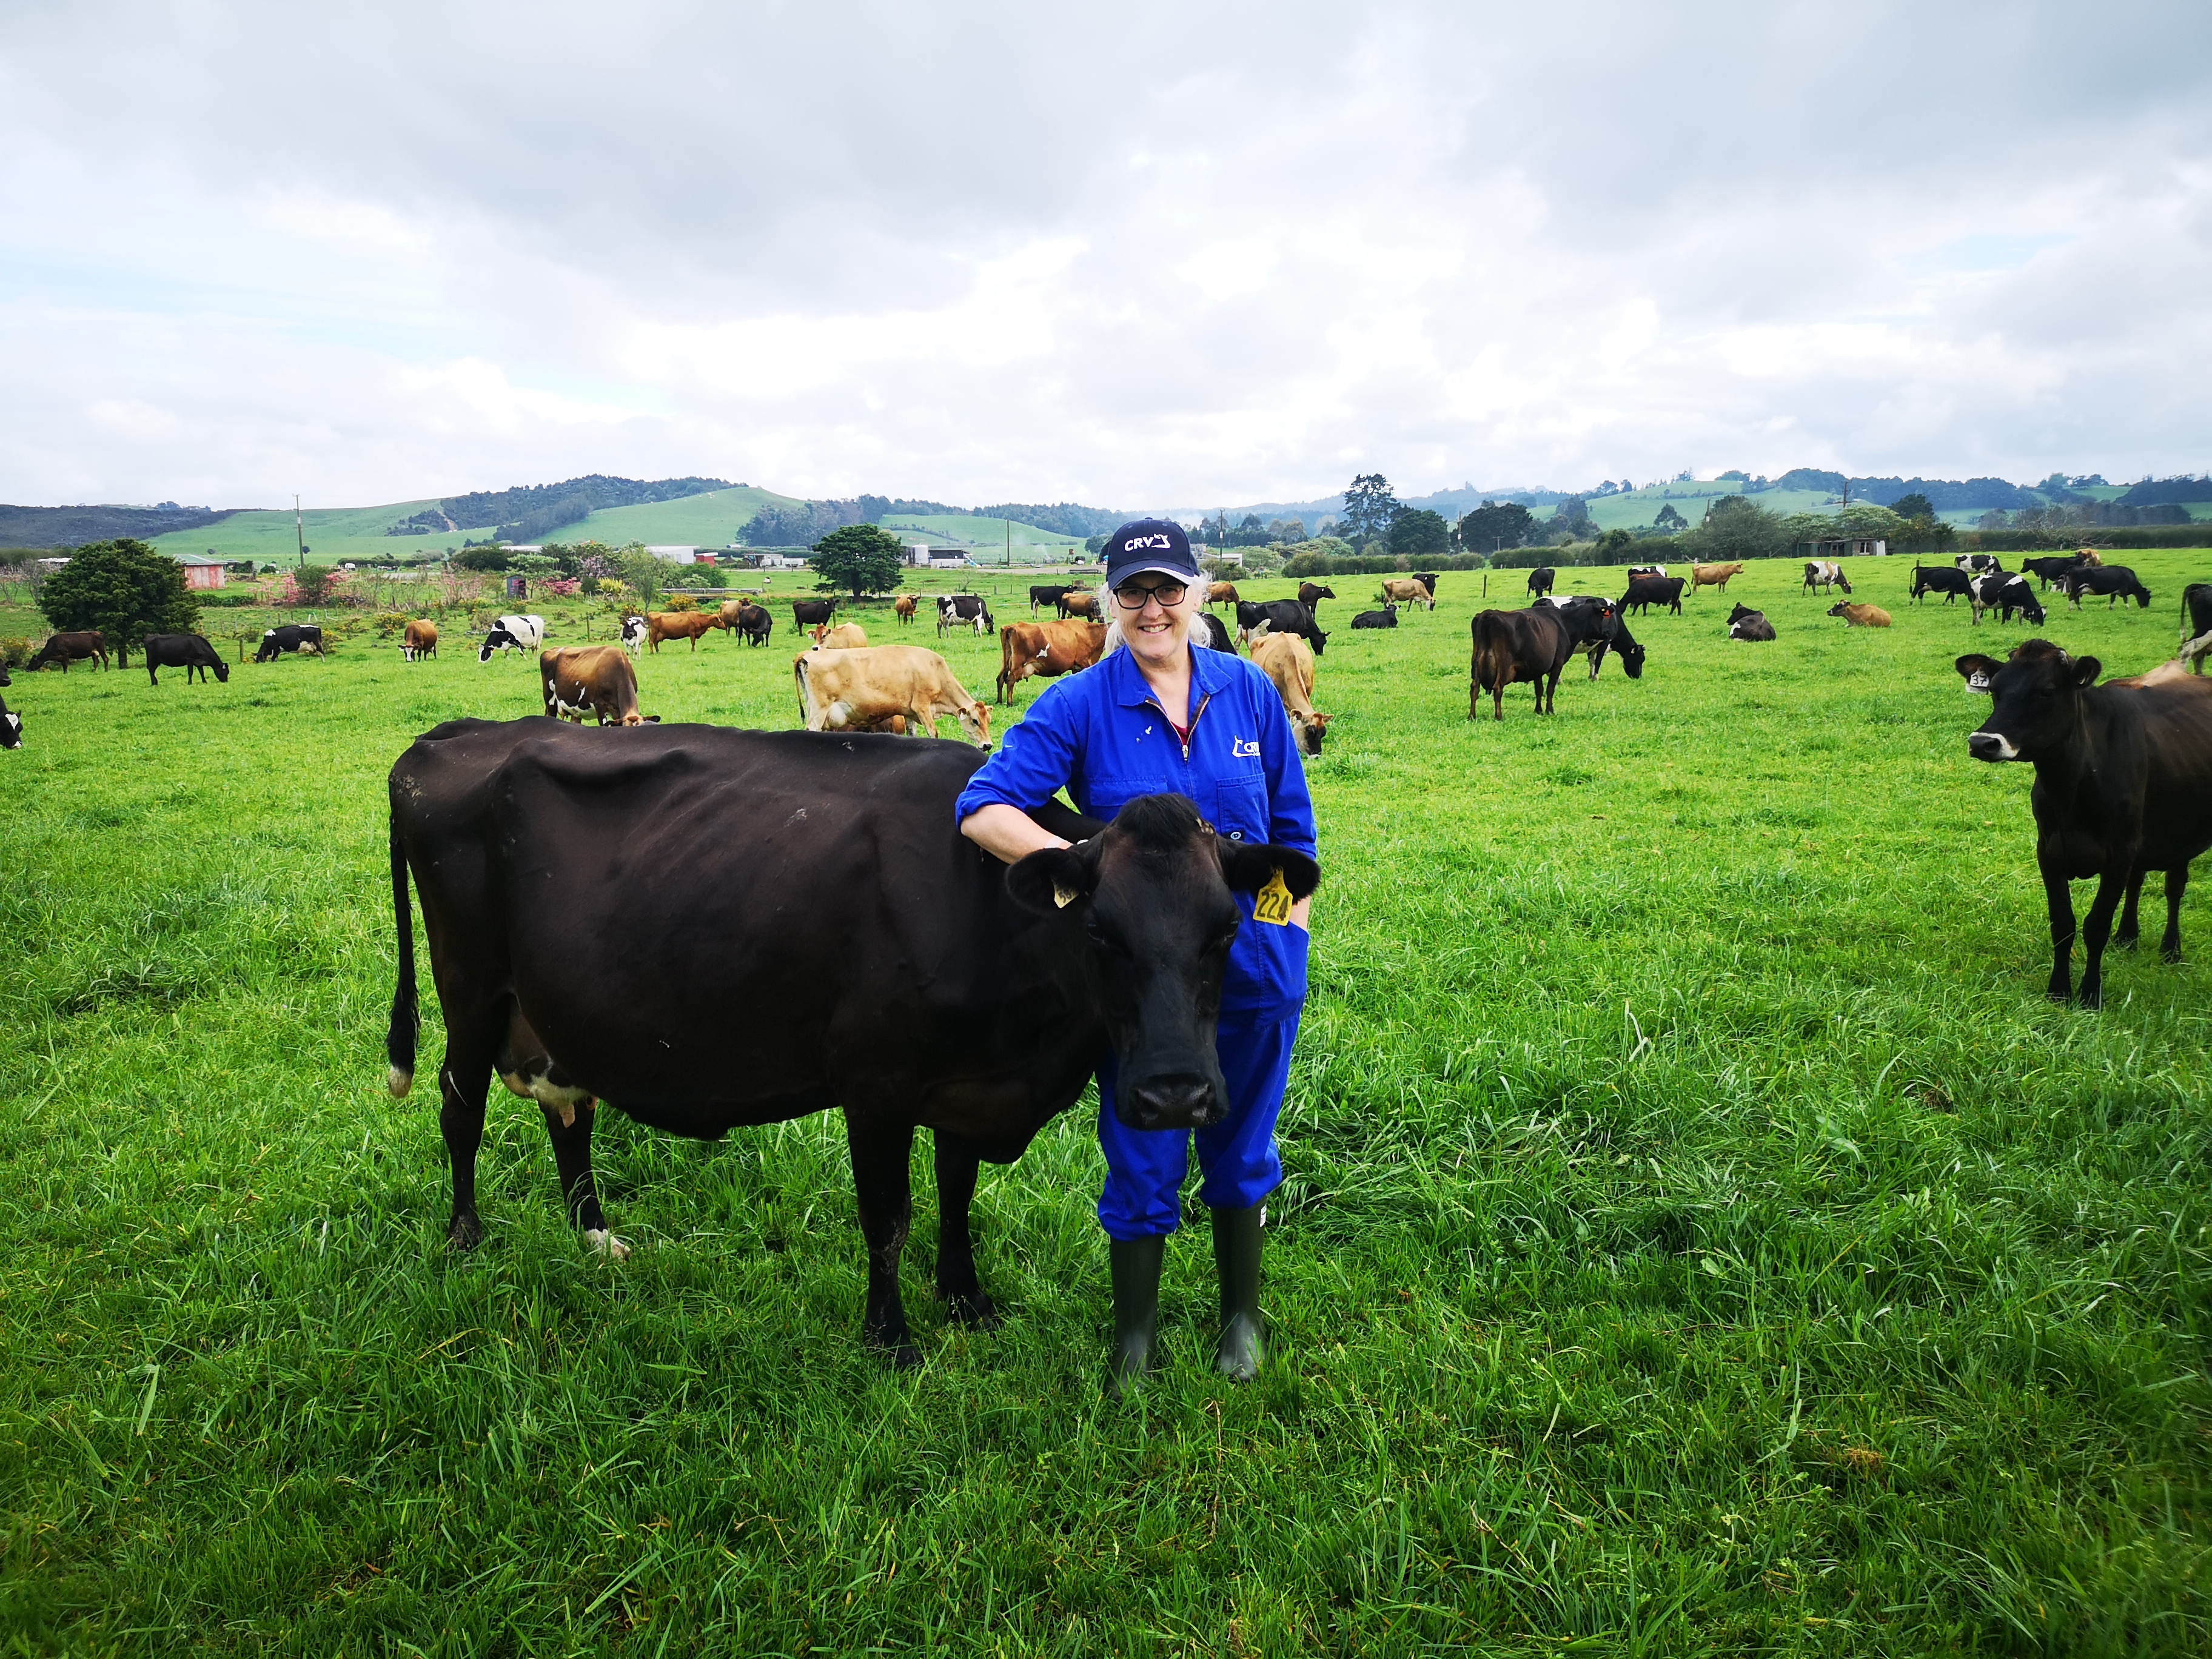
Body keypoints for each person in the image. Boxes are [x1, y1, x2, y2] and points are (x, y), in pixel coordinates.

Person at [956, 519, 1317, 1393]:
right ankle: (1135, 1342)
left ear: (1197, 594)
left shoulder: (1248, 693)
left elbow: (1293, 833)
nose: (1152, 608)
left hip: (1248, 969)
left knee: (1242, 1146)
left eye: (1168, 589)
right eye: (1133, 591)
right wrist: (1083, 862)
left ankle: (1241, 1318)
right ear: (1109, 600)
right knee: (1142, 1149)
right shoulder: (1080, 702)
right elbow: (982, 806)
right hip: (1139, 985)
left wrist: (1286, 933)